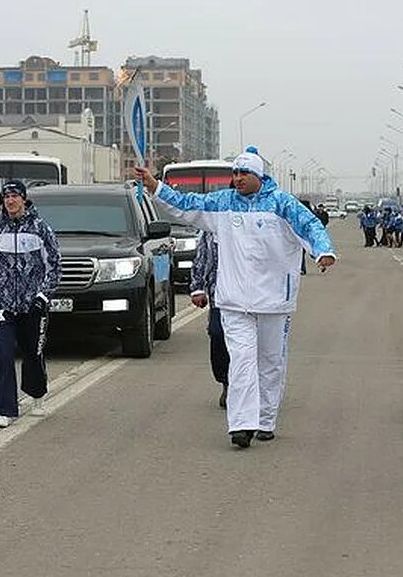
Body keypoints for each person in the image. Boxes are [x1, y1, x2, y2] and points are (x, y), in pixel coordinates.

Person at [135, 152, 336, 448]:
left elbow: (311, 227)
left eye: (244, 173)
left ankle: (266, 419)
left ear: (259, 176)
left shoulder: (282, 203)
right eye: (235, 173)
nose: (238, 178)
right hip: (233, 301)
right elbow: (187, 205)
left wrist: (323, 252)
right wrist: (156, 186)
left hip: (274, 299)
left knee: (270, 362)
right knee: (241, 360)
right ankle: (242, 424)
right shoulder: (223, 203)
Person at [0, 180, 61, 428]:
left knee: (32, 353)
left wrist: (43, 296)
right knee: (2, 356)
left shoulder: (40, 228)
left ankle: (36, 394)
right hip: (1, 304)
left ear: (23, 199)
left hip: (31, 303)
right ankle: (5, 409)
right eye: (6, 197)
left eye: (14, 196)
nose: (10, 201)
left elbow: (54, 265)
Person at [189, 229, 229, 408]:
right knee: (218, 334)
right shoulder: (214, 223)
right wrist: (197, 288)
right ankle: (226, 381)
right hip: (219, 294)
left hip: (252, 296)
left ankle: (248, 387)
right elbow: (203, 256)